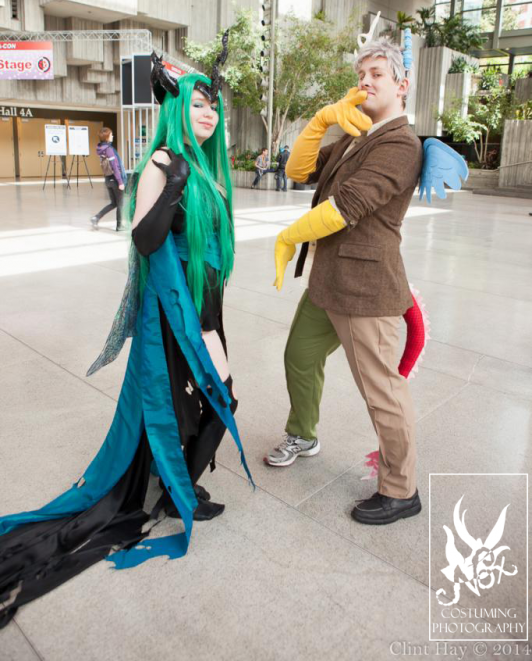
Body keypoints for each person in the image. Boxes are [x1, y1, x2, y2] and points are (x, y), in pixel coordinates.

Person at [0, 36, 252, 627]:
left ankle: (174, 488)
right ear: (175, 109)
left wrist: (214, 317)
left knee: (218, 395)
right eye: (197, 104)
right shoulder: (165, 162)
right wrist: (175, 186)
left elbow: (211, 254)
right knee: (204, 401)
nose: (208, 114)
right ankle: (176, 492)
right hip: (170, 311)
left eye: (214, 106)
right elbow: (143, 240)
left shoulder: (211, 170)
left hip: (204, 307)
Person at [265, 38, 425, 526]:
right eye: (361, 75)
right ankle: (304, 433)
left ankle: (400, 491)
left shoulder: (400, 143)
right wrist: (320, 122)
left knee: (382, 391)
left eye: (377, 74)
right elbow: (296, 170)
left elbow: (347, 207)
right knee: (300, 355)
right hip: (327, 281)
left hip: (365, 290)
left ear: (402, 84)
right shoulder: (358, 135)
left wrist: (291, 235)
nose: (365, 82)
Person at [91, 127, 127, 231]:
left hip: (108, 180)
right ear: (107, 137)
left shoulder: (100, 149)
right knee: (120, 204)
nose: (112, 136)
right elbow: (115, 167)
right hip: (115, 180)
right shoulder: (109, 149)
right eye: (111, 135)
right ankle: (119, 226)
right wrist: (120, 182)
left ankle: (96, 217)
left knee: (114, 203)